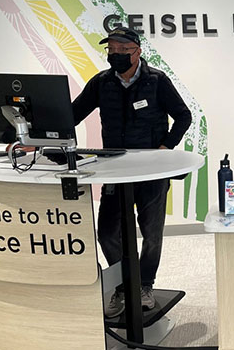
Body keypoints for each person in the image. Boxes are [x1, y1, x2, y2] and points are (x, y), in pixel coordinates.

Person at [72, 27, 192, 317]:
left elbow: (183, 116)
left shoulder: (156, 81)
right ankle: (124, 285)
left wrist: (165, 147)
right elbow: (71, 115)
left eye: (121, 51)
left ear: (137, 52)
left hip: (151, 172)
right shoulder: (102, 83)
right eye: (111, 50)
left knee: (151, 233)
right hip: (115, 172)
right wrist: (39, 136)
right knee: (107, 233)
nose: (115, 55)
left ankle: (145, 285)